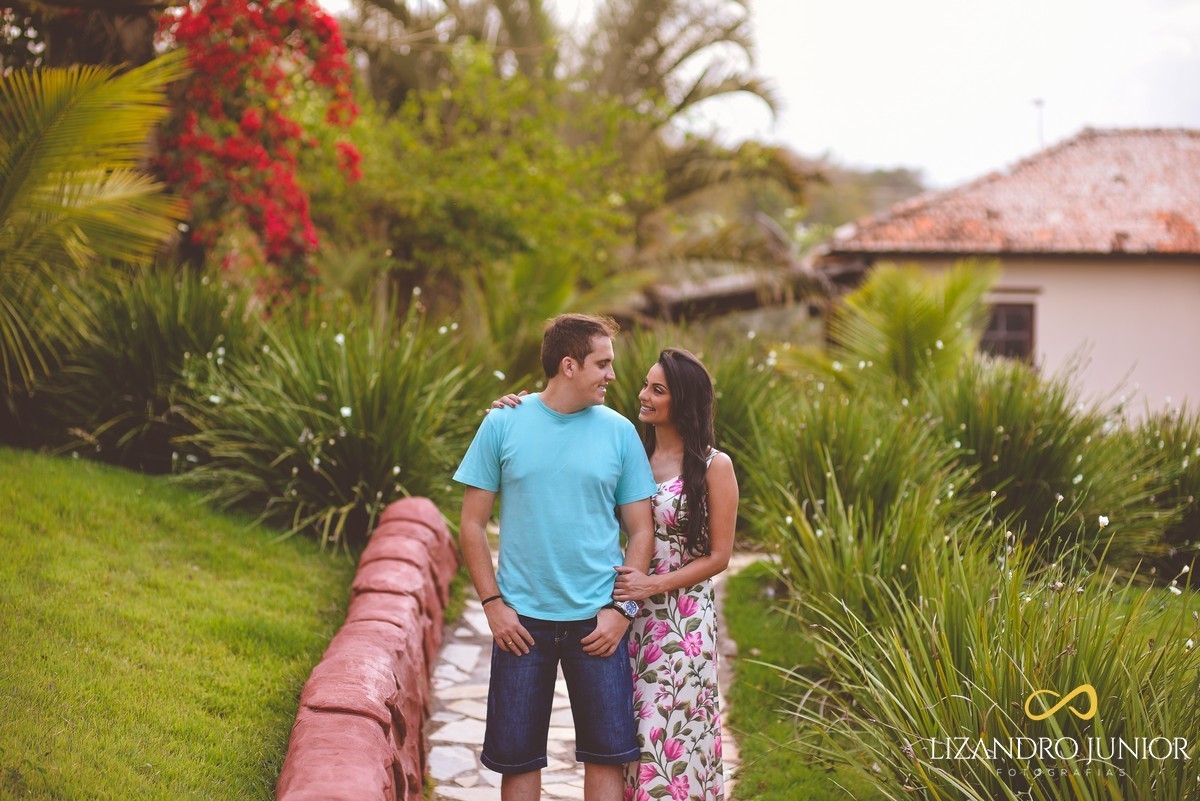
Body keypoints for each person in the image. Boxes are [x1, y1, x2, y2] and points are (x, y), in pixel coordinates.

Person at [494, 347, 739, 801]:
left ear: (682, 400)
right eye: (646, 385)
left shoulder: (712, 466)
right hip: (623, 618)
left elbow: (721, 555)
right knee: (628, 747)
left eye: (657, 389)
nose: (642, 394)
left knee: (671, 739)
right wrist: (521, 409)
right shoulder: (629, 448)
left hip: (678, 627)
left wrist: (653, 585)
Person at [454, 313, 658, 801]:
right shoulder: (502, 423)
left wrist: (621, 611)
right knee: (517, 757)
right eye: (602, 364)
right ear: (569, 365)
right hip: (522, 623)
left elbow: (640, 529)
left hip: (597, 624)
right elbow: (471, 524)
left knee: (607, 754)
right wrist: (492, 604)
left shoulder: (620, 431)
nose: (612, 375)